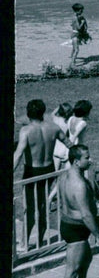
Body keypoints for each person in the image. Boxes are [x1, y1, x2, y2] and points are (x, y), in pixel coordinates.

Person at [58, 144, 99, 278]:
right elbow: (86, 214)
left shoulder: (64, 176)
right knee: (73, 269)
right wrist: (98, 235)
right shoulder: (79, 185)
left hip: (71, 225)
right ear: (77, 161)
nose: (90, 160)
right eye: (87, 158)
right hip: (76, 229)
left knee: (85, 261)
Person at [14, 99, 60, 247]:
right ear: (43, 112)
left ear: (28, 114)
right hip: (49, 170)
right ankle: (40, 241)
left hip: (32, 172)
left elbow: (19, 153)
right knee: (43, 207)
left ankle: (24, 243)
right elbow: (71, 146)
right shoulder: (54, 127)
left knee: (30, 209)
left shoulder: (26, 130)